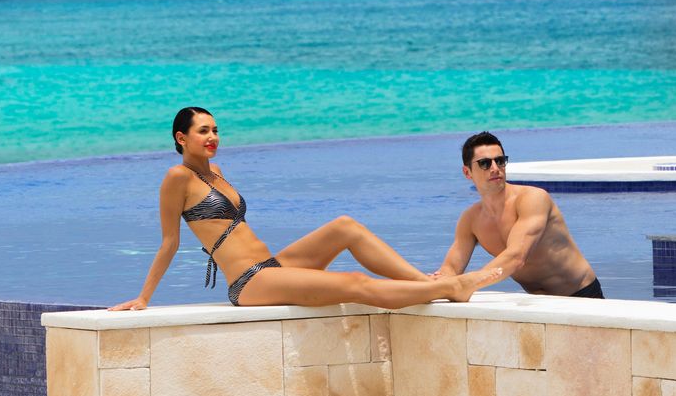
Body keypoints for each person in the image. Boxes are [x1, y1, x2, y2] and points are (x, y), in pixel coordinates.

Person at [110, 107, 486, 311]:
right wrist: (144, 297)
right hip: (248, 283)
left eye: (216, 130)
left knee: (345, 226)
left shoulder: (218, 172)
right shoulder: (177, 178)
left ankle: (427, 284)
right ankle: (450, 289)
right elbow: (169, 243)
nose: (213, 138)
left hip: (272, 266)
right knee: (353, 284)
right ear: (181, 138)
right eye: (203, 131)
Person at [429, 131, 603, 297]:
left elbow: (516, 256)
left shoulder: (532, 199)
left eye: (500, 161)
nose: (495, 168)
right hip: (540, 303)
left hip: (582, 294)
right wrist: (436, 282)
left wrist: (468, 283)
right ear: (467, 172)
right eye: (485, 163)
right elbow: (451, 268)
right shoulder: (471, 220)